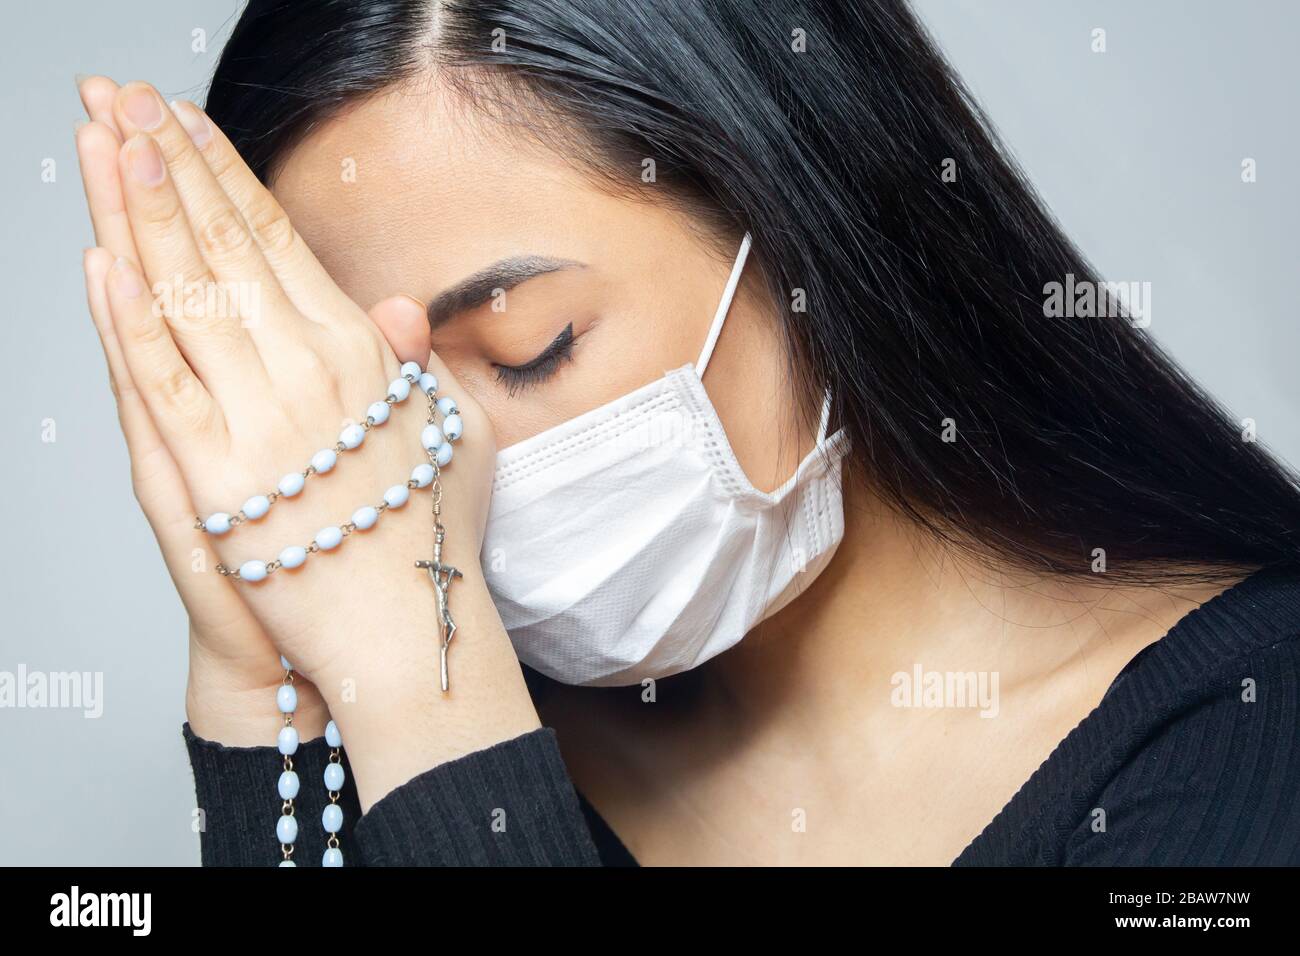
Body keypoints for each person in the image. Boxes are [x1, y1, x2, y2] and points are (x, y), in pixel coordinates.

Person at [73, 0, 1300, 866]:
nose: (430, 473)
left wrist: (427, 690)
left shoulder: (1247, 737)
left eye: (530, 346)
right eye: (377, 395)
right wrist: (264, 690)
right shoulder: (464, 723)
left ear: (810, 223)